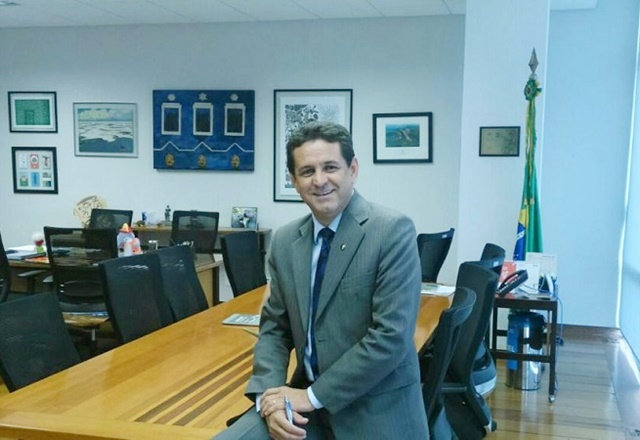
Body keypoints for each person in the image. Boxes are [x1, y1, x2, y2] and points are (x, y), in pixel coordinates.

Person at [215, 121, 428, 439]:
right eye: (307, 171)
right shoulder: (286, 241)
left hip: (374, 410)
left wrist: (312, 396)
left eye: (330, 167)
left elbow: (390, 338)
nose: (319, 180)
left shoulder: (391, 231)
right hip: (303, 411)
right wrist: (269, 401)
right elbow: (275, 330)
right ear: (293, 180)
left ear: (352, 169)